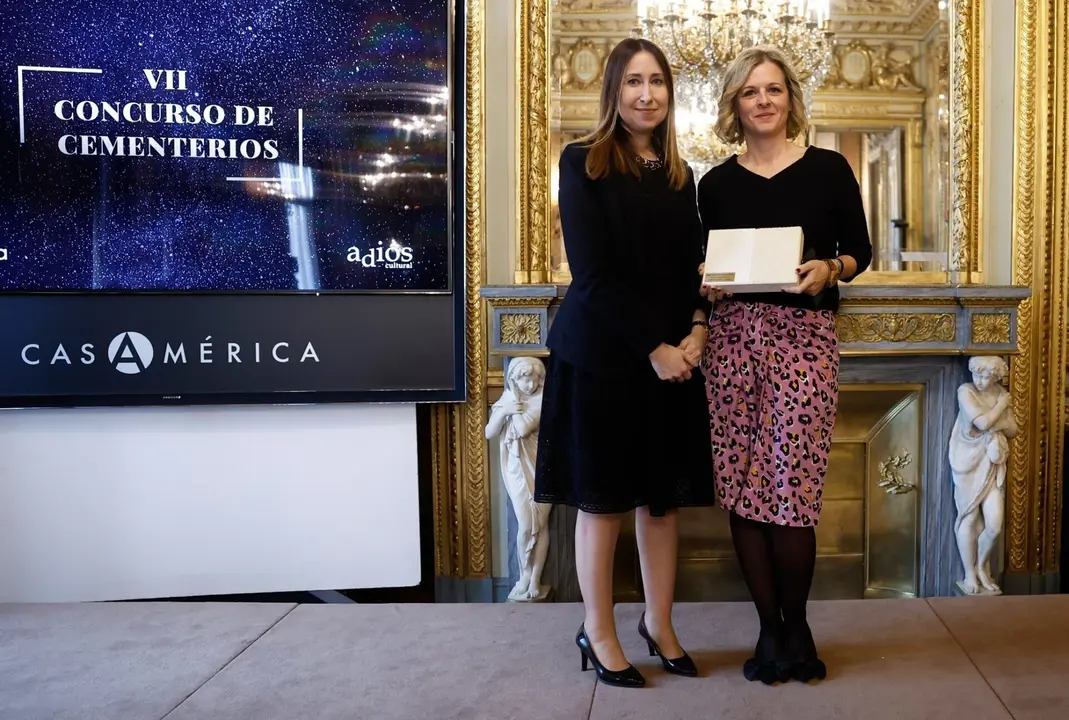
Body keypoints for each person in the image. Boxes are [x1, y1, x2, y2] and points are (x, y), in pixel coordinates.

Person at [533, 37, 716, 688]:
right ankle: (599, 630)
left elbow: (693, 268)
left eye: (657, 81)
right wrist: (654, 348)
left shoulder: (680, 174)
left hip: (670, 360)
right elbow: (593, 276)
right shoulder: (582, 161)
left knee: (660, 504)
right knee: (603, 503)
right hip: (604, 359)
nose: (646, 94)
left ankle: (658, 624)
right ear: (613, 90)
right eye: (634, 81)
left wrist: (697, 328)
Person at [696, 45, 873, 685]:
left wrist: (831, 268)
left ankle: (797, 626)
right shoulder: (714, 185)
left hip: (805, 340)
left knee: (791, 488)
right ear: (735, 105)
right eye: (750, 91)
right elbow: (703, 268)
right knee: (743, 486)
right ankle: (768, 628)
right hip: (732, 341)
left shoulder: (829, 168)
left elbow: (860, 251)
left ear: (791, 99)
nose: (763, 101)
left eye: (773, 89)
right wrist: (706, 284)